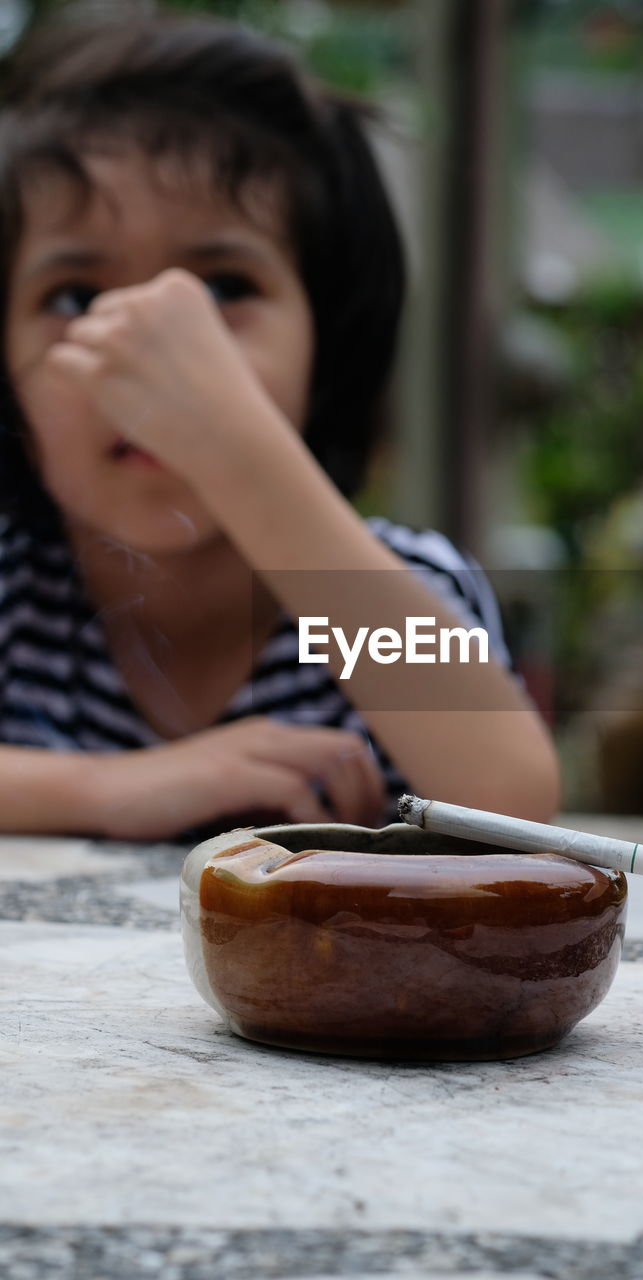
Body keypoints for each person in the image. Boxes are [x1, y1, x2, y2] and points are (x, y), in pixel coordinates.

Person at [0, 3, 559, 841]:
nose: (156, 345)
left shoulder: (401, 587)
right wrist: (118, 789)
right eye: (77, 298)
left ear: (325, 345)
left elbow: (512, 800)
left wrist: (232, 441)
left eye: (224, 287)